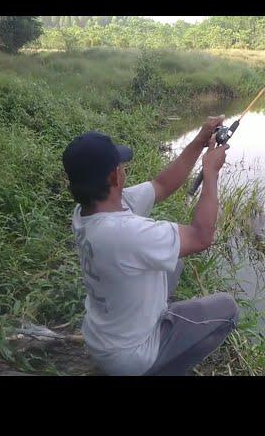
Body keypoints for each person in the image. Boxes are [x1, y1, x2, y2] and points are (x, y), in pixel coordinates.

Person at [61, 116, 239, 376]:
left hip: (103, 337)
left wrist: (200, 141)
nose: (124, 169)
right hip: (131, 357)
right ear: (114, 176)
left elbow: (161, 185)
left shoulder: (87, 211)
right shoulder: (125, 234)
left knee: (173, 262)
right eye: (121, 165)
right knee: (227, 309)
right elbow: (201, 237)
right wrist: (210, 174)